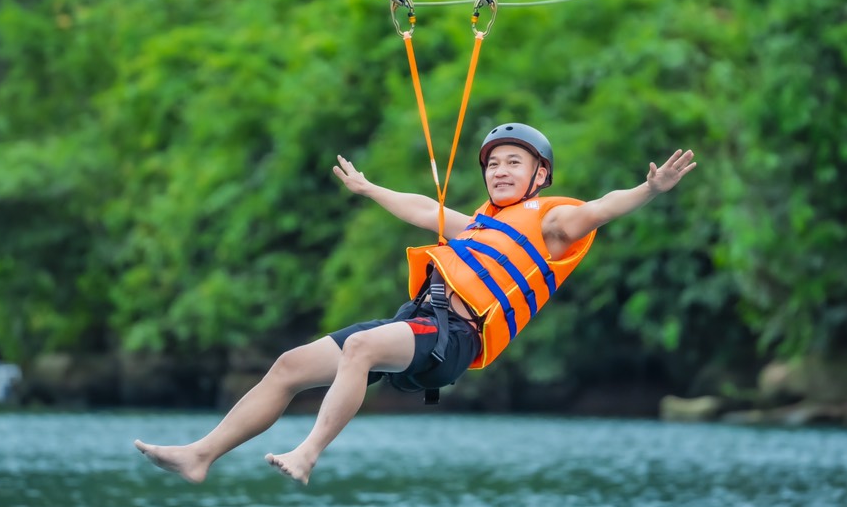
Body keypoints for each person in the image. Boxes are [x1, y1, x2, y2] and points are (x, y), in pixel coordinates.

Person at [134, 122, 697, 485]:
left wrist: (650, 190)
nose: (500, 171)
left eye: (513, 163)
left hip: (457, 338)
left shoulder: (553, 222)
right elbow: (425, 210)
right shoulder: (478, 225)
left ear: (539, 175)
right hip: (422, 324)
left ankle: (307, 454)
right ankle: (200, 455)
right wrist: (370, 189)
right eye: (493, 164)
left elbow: (602, 206)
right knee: (290, 366)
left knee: (360, 347)